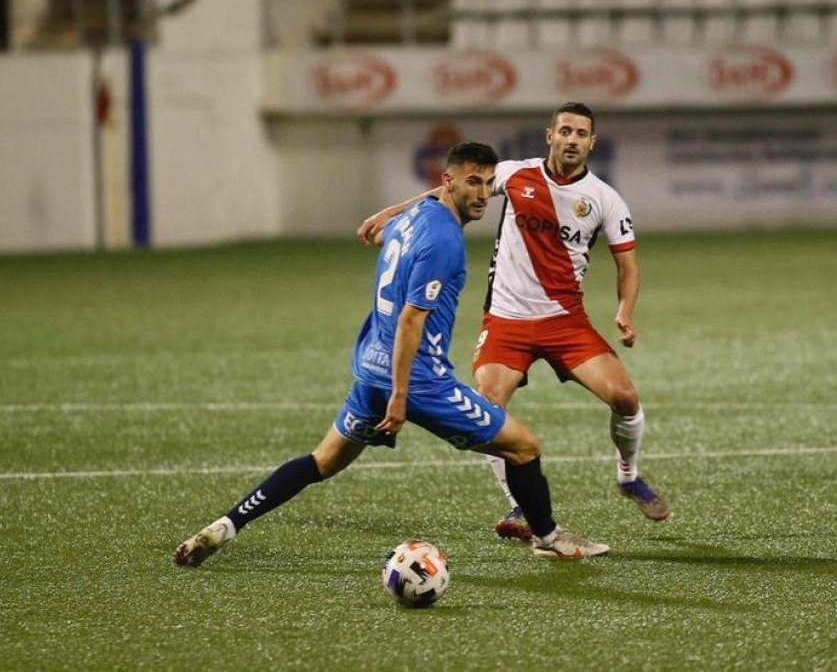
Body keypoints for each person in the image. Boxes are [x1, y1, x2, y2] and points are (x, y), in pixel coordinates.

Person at [174, 142, 609, 567]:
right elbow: (410, 321)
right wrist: (402, 396)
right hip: (419, 382)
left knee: (322, 461)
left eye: (488, 184)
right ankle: (548, 537)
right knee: (524, 447)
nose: (481, 194)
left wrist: (387, 214)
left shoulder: (413, 216)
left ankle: (227, 525)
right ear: (449, 181)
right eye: (472, 182)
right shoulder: (445, 244)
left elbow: (394, 230)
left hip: (370, 370)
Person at [357, 102, 668, 541]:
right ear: (550, 136)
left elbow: (628, 266)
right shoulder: (514, 173)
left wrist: (624, 312)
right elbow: (448, 190)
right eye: (565, 131)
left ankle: (628, 474)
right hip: (506, 321)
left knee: (624, 396)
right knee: (488, 409)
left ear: (592, 143)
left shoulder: (605, 199)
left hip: (565, 321)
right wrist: (392, 211)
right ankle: (519, 505)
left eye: (581, 133)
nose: (572, 139)